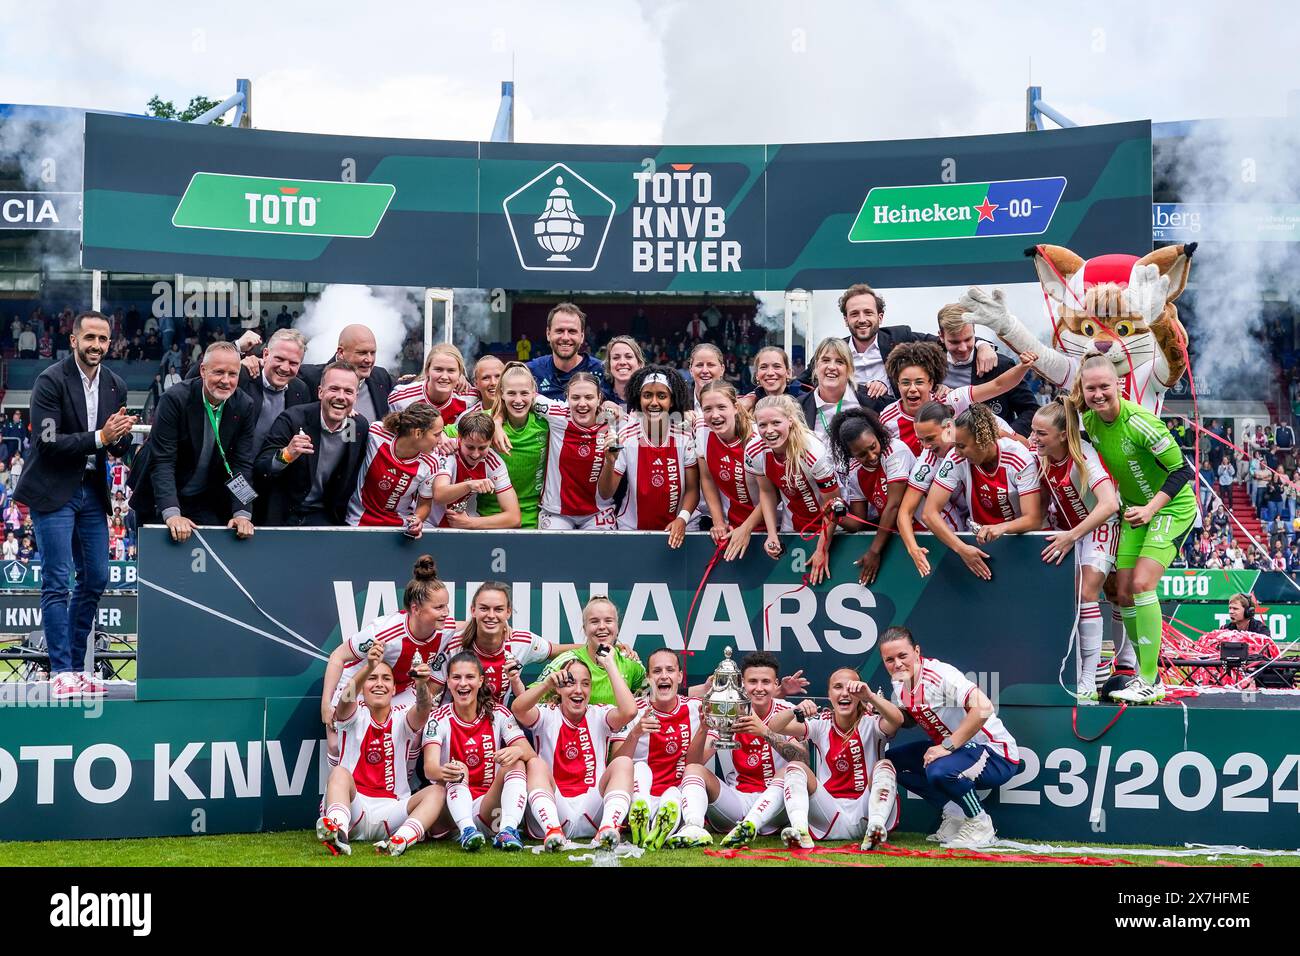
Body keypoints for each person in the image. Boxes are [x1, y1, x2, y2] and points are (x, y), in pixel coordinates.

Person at [16, 311, 134, 699]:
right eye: (90, 338)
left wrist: (119, 438)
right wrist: (101, 436)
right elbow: (48, 443)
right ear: (73, 339)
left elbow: (114, 445)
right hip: (52, 491)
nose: (97, 345)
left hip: (90, 491)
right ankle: (61, 670)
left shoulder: (115, 385)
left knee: (97, 577)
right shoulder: (49, 380)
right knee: (56, 581)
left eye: (103, 339)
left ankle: (75, 664)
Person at [1078, 353, 1198, 704]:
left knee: (1144, 584)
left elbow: (1182, 471)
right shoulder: (1089, 421)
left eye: (1104, 386)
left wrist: (1150, 508)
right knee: (1123, 592)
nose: (1098, 394)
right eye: (1091, 389)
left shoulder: (1142, 422)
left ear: (1119, 385)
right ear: (1082, 391)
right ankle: (1145, 674)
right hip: (1135, 512)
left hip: (1169, 507)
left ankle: (1149, 678)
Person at [878, 626, 1020, 848]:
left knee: (939, 770)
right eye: (889, 659)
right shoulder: (899, 681)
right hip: (960, 751)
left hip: (996, 754)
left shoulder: (940, 674)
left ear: (917, 651)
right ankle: (955, 815)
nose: (897, 664)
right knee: (890, 764)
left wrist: (947, 746)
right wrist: (880, 707)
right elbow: (910, 719)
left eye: (902, 655)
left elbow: (983, 707)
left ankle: (980, 823)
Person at [316, 639, 443, 857]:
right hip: (354, 808)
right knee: (338, 773)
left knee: (437, 791)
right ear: (363, 686)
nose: (379, 683)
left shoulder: (403, 716)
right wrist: (369, 667)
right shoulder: (354, 715)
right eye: (372, 679)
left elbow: (423, 709)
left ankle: (400, 840)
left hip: (392, 811)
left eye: (386, 679)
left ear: (394, 689)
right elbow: (346, 699)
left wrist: (421, 684)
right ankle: (338, 831)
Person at [320, 555, 454, 759]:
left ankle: (404, 787)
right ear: (416, 609)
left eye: (446, 606)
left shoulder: (447, 629)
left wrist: (503, 627)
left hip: (401, 689)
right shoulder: (383, 633)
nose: (446, 613)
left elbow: (473, 626)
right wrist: (326, 704)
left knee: (414, 735)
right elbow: (338, 656)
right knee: (336, 744)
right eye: (439, 608)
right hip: (358, 685)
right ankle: (338, 788)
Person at [1031, 398, 1122, 700]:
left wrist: (1071, 535)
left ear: (1061, 434)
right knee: (1075, 597)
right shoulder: (1043, 457)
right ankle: (1092, 675)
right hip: (1074, 531)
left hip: (1100, 525)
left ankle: (1088, 678)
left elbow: (1109, 504)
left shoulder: (1084, 456)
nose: (1035, 438)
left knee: (1087, 594)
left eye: (1041, 433)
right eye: (1033, 431)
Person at [510, 643, 639, 850]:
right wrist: (545, 685)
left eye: (586, 684)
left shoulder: (600, 714)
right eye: (571, 683)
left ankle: (608, 828)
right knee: (535, 764)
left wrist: (610, 665)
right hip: (554, 807)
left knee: (623, 762)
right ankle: (552, 831)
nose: (578, 690)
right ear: (559, 688)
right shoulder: (546, 714)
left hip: (594, 809)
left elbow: (630, 711)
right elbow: (518, 709)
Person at [128, 341, 257, 543]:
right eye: (219, 372)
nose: (226, 381)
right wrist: (172, 514)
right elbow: (163, 461)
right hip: (160, 498)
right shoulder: (174, 399)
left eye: (233, 374)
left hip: (204, 500)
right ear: (203, 371)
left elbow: (241, 464)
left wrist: (242, 513)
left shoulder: (244, 405)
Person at [762, 668, 904, 850]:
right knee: (795, 767)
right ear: (829, 695)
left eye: (851, 688)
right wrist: (794, 710)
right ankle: (800, 832)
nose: (844, 693)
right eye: (838, 687)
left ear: (860, 695)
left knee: (885, 765)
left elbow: (897, 720)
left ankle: (875, 828)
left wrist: (870, 696)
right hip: (829, 812)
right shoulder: (821, 724)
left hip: (866, 810)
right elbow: (774, 726)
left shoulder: (872, 723)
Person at [677, 651, 805, 848]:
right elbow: (693, 764)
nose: (759, 688)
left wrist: (766, 732)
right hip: (737, 803)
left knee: (788, 770)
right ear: (741, 683)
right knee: (693, 771)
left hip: (777, 805)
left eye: (766, 682)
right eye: (753, 681)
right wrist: (703, 728)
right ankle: (693, 827)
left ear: (776, 684)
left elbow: (803, 762)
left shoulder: (787, 711)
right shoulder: (728, 709)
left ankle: (751, 824)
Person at [422, 652, 535, 851]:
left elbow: (530, 754)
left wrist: (516, 752)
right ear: (448, 682)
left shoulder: (498, 712)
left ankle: (508, 829)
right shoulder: (437, 718)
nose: (463, 683)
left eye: (470, 677)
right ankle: (467, 830)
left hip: (488, 808)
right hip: (448, 811)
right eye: (456, 677)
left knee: (517, 761)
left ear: (481, 680)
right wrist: (449, 772)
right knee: (458, 767)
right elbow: (429, 769)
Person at [800, 282, 996, 398]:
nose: (861, 320)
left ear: (880, 317)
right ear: (846, 319)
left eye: (868, 312)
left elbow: (945, 340)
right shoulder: (832, 353)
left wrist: (982, 344)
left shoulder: (900, 337)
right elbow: (800, 387)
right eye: (854, 314)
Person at [919, 403, 1043, 581]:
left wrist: (1001, 528)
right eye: (955, 445)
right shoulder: (956, 458)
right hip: (980, 546)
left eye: (962, 446)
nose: (957, 452)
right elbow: (929, 513)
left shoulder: (1018, 457)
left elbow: (1033, 519)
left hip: (1019, 541)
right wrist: (961, 549)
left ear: (983, 440)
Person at [609, 648, 707, 849]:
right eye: (657, 671)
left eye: (670, 670)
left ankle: (654, 830)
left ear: (679, 676)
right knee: (639, 768)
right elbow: (616, 763)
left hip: (677, 795)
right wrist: (635, 733)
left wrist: (704, 729)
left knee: (673, 794)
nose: (664, 676)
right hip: (639, 792)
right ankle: (642, 816)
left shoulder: (697, 709)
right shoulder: (632, 711)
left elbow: (695, 765)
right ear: (648, 677)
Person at [254, 362, 369, 526]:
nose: (341, 396)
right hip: (283, 516)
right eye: (334, 389)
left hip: (325, 517)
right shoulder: (293, 419)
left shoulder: (356, 426)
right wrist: (286, 455)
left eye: (348, 391)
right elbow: (260, 470)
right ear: (320, 392)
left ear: (356, 397)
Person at [598, 365, 699, 548]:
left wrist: (682, 519)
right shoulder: (627, 436)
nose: (654, 402)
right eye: (647, 395)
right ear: (639, 398)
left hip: (679, 529)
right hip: (632, 529)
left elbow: (693, 489)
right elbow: (606, 493)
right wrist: (609, 462)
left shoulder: (684, 437)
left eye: (661, 396)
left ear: (672, 400)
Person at [745, 394, 842, 583]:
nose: (769, 431)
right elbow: (766, 492)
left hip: (830, 525)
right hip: (793, 524)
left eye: (775, 422)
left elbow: (834, 504)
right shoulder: (754, 450)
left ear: (790, 421)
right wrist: (772, 534)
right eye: (762, 425)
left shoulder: (813, 451)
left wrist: (822, 549)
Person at [880, 341, 1031, 456]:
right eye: (905, 383)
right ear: (897, 384)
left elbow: (998, 385)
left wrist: (1023, 366)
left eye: (919, 382)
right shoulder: (888, 418)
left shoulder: (950, 400)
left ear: (931, 382)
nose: (912, 389)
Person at [432, 581, 568, 706]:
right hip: (453, 726)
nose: (491, 615)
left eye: (498, 609)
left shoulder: (521, 642)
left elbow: (556, 650)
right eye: (484, 609)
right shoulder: (454, 646)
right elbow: (430, 693)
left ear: (508, 612)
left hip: (497, 726)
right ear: (473, 610)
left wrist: (589, 646)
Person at [186, 328, 312, 452]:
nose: (285, 368)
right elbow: (192, 379)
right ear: (266, 354)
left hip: (273, 469)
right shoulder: (243, 375)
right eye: (279, 359)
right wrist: (237, 347)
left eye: (293, 363)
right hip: (230, 467)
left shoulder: (301, 390)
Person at [829, 407, 914, 585]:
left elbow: (894, 505)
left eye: (873, 446)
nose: (872, 456)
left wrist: (874, 551)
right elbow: (859, 523)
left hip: (924, 529)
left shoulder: (895, 450)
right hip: (894, 537)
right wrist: (834, 515)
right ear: (850, 454)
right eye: (861, 454)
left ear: (876, 434)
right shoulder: (854, 472)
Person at [695, 380, 780, 560]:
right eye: (707, 409)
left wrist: (746, 528)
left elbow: (772, 493)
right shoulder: (702, 431)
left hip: (775, 526)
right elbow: (707, 479)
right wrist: (718, 522)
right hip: (734, 526)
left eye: (721, 407)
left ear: (735, 407)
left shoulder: (758, 438)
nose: (715, 415)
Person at [937, 303, 1041, 435]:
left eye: (968, 339)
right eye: (954, 342)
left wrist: (1005, 437)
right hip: (946, 447)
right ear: (941, 336)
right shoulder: (929, 366)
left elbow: (1030, 410)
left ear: (974, 331)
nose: (963, 348)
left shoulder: (1001, 365)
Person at [535, 372, 616, 530]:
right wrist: (496, 421)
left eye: (589, 397)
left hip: (598, 512)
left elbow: (648, 422)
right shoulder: (555, 413)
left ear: (599, 398)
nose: (582, 403)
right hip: (556, 511)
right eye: (575, 397)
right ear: (567, 397)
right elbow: (524, 393)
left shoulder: (613, 423)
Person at [535, 596, 646, 706]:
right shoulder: (566, 661)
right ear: (585, 628)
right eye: (594, 621)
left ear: (617, 627)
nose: (602, 626)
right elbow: (527, 702)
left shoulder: (630, 661)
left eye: (608, 621)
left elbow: (652, 699)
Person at [345, 404, 442, 530]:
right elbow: (347, 441)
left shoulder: (431, 462)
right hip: (357, 520)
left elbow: (424, 505)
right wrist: (347, 415)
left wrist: (417, 519)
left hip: (399, 527)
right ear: (418, 433)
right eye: (437, 435)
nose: (440, 440)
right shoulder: (376, 433)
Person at [428, 411, 520, 529]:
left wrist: (470, 523)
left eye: (482, 448)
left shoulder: (493, 462)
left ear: (491, 441)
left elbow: (514, 518)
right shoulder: (448, 450)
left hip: (461, 524)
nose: (476, 454)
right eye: (470, 447)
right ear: (459, 438)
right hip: (428, 522)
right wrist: (469, 485)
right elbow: (439, 496)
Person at [481, 363, 546, 528]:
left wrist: (607, 407)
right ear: (501, 394)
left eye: (524, 393)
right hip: (486, 513)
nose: (518, 400)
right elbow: (444, 433)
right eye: (511, 393)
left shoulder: (545, 423)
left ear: (534, 394)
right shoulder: (483, 420)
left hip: (532, 515)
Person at [299, 324, 395, 421]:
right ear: (341, 352)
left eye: (373, 353)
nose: (369, 360)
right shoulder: (307, 378)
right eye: (362, 353)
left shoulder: (381, 377)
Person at [387, 343, 481, 427]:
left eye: (451, 370)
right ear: (427, 371)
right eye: (438, 369)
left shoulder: (471, 398)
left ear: (460, 374)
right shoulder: (401, 397)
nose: (444, 376)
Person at [799, 337, 874, 442]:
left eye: (839, 362)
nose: (832, 367)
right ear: (816, 366)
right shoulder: (798, 407)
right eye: (825, 360)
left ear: (849, 369)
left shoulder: (872, 399)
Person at [527, 303, 605, 400]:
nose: (565, 337)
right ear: (548, 334)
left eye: (572, 331)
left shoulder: (603, 372)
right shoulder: (530, 371)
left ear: (582, 336)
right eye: (559, 331)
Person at [603, 335, 645, 408]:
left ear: (640, 363)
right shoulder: (598, 398)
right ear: (609, 365)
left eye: (628, 357)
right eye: (616, 358)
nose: (622, 362)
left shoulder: (650, 398)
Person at [686, 343, 725, 411]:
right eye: (699, 365)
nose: (705, 371)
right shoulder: (678, 405)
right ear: (691, 370)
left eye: (711, 365)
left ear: (722, 369)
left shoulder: (734, 405)